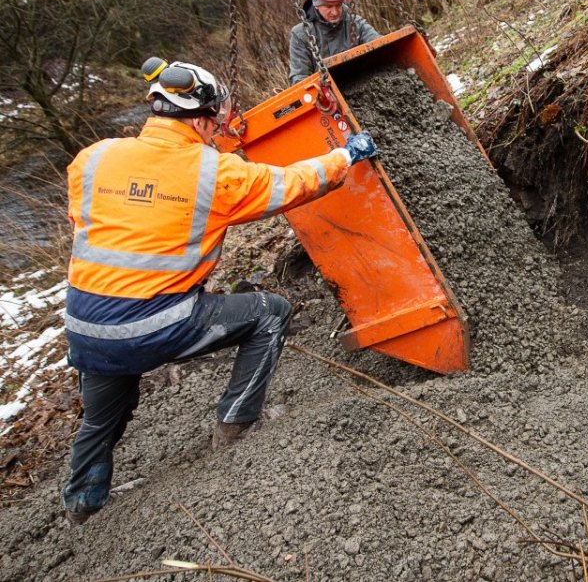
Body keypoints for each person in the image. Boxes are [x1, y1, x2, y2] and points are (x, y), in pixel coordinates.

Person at [61, 57, 379, 525]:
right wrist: (346, 156)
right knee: (271, 313)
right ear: (199, 118)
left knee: (102, 415)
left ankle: (83, 505)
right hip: (155, 322)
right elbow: (292, 183)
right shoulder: (215, 175)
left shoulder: (93, 158)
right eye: (215, 121)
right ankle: (237, 426)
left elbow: (91, 223)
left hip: (85, 325)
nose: (218, 129)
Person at [288, 0, 382, 84]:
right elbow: (299, 78)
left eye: (338, 5)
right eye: (328, 6)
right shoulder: (301, 35)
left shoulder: (356, 24)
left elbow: (381, 46)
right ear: (316, 3)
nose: (335, 12)